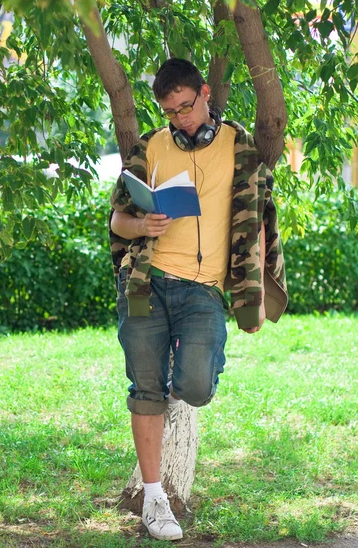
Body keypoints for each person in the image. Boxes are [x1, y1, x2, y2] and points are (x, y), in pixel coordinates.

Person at [109, 58, 288, 541]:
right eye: (170, 112)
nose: (180, 119)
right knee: (145, 391)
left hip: (204, 290)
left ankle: (177, 367)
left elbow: (261, 222)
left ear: (206, 93)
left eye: (186, 108)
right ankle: (154, 499)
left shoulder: (241, 147)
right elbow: (116, 222)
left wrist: (254, 297)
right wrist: (141, 224)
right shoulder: (150, 147)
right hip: (147, 283)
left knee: (196, 388)